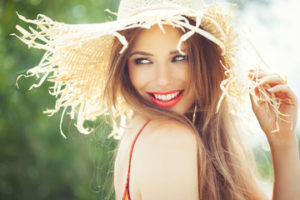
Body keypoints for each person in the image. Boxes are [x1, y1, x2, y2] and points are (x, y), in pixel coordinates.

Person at [14, 0, 299, 199]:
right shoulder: (169, 138)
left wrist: (282, 142)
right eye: (143, 61)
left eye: (179, 57)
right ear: (125, 67)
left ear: (204, 60)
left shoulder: (166, 134)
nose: (162, 79)